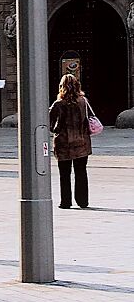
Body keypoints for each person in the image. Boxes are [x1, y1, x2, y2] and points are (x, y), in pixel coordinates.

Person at [49, 73, 92, 209]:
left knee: (64, 174)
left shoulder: (58, 104)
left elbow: (50, 123)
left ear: (62, 86)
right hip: (82, 142)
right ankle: (83, 201)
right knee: (81, 172)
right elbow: (89, 119)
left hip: (64, 143)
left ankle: (66, 202)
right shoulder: (83, 101)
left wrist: (56, 129)